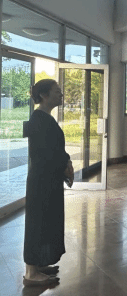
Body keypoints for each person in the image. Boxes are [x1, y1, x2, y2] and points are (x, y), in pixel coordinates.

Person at [23, 79, 74, 286]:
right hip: (41, 182)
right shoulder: (38, 120)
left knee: (46, 222)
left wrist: (66, 162)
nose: (61, 94)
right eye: (57, 91)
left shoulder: (45, 118)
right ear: (44, 95)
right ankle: (31, 273)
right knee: (37, 224)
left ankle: (38, 264)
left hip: (48, 180)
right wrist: (65, 165)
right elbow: (45, 154)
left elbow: (55, 149)